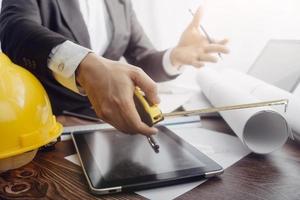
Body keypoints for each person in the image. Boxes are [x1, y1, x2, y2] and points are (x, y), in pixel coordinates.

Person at [0, 0, 228, 136]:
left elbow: (143, 58)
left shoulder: (121, 3)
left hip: (112, 128)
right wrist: (82, 63)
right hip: (55, 125)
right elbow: (14, 27)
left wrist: (175, 56)